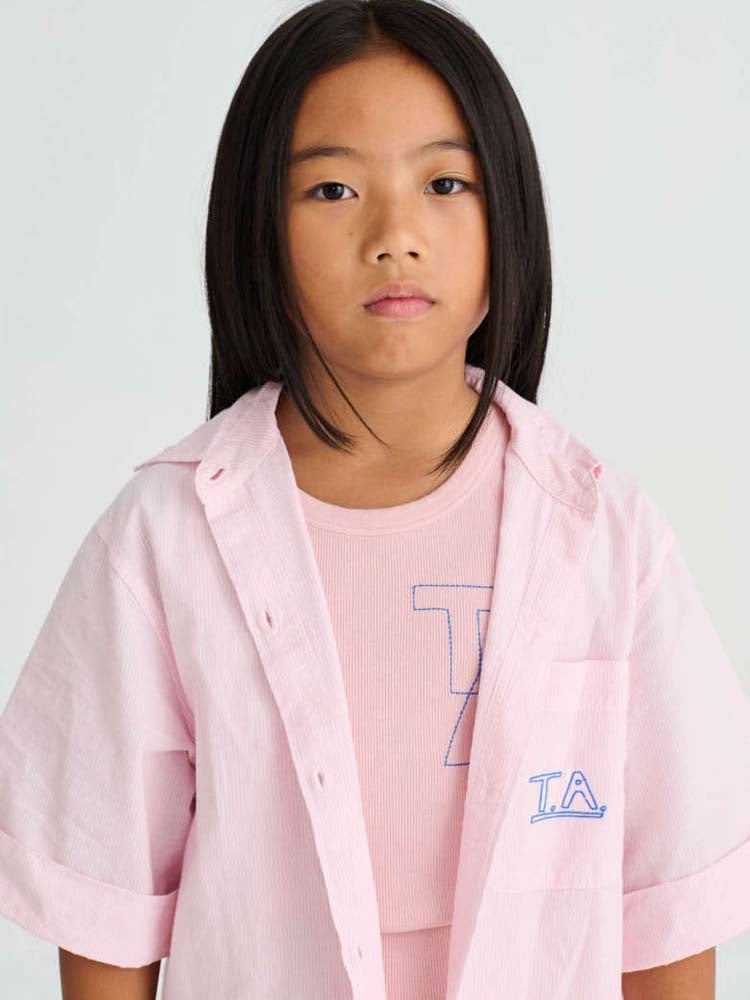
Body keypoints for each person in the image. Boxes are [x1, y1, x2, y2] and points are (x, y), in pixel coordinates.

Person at [0, 1, 746, 998]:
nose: (395, 236)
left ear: (509, 218)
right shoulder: (163, 542)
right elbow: (105, 895)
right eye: (333, 188)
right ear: (258, 232)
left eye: (444, 183)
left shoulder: (610, 537)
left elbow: (669, 901)